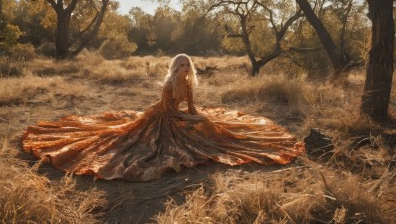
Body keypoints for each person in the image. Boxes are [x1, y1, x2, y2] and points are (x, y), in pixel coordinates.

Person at [23, 54, 305, 181]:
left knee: (212, 124)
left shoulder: (190, 83)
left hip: (178, 116)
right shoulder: (169, 85)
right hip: (160, 119)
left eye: (187, 65)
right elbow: (171, 114)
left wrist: (201, 118)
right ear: (174, 67)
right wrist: (194, 121)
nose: (184, 68)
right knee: (123, 138)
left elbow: (191, 109)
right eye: (180, 64)